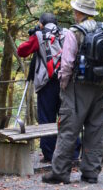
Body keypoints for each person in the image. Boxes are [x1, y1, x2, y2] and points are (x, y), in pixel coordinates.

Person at [42, 0, 103, 185]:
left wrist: (63, 85)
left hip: (77, 87)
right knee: (95, 129)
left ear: (79, 11)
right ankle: (90, 172)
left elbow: (67, 62)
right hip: (101, 85)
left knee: (69, 129)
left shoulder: (74, 32)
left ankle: (59, 172)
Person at [17, 12, 73, 162]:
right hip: (66, 81)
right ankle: (73, 153)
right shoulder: (67, 33)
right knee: (67, 117)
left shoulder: (39, 36)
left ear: (41, 23)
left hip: (47, 82)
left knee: (47, 119)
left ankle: (49, 154)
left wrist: (34, 35)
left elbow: (21, 51)